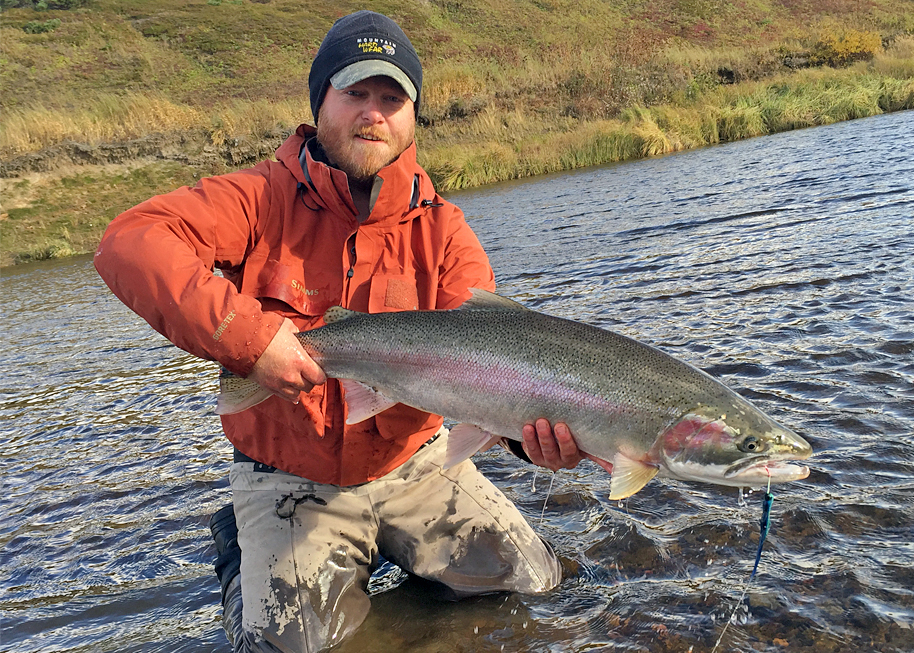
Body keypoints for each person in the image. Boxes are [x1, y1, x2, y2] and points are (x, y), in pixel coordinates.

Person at [95, 10, 583, 653]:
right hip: (287, 476)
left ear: (412, 117)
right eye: (355, 93)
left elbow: (493, 356)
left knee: (538, 586)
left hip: (415, 464)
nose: (374, 113)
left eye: (392, 98)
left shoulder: (445, 232)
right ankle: (242, 556)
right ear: (320, 102)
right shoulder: (257, 197)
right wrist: (248, 338)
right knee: (294, 648)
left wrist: (531, 437)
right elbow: (131, 242)